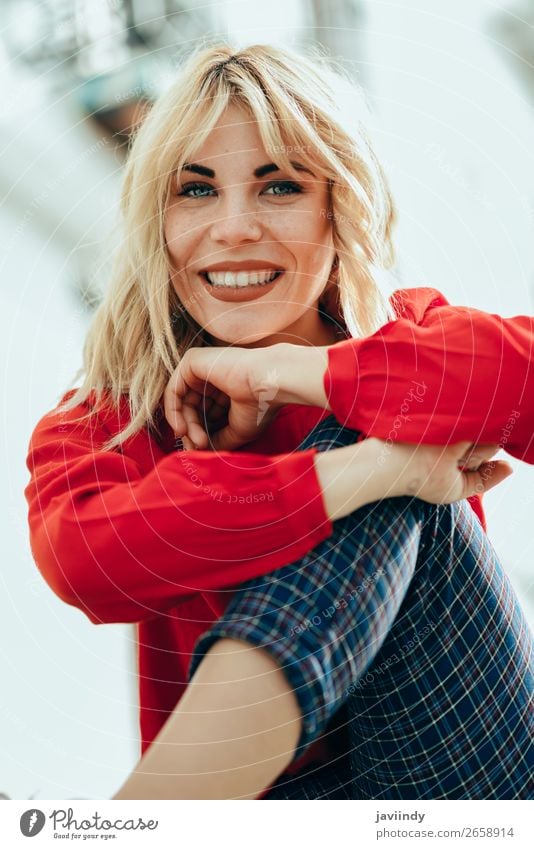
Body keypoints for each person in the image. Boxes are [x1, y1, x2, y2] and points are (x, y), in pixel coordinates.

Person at [24, 42, 533, 801]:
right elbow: (84, 559)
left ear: (338, 209)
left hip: (462, 773)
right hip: (272, 803)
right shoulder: (112, 420)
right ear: (155, 223)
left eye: (280, 186)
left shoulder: (412, 338)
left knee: (392, 423)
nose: (232, 228)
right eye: (195, 190)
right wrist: (362, 474)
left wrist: (296, 376)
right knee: (389, 459)